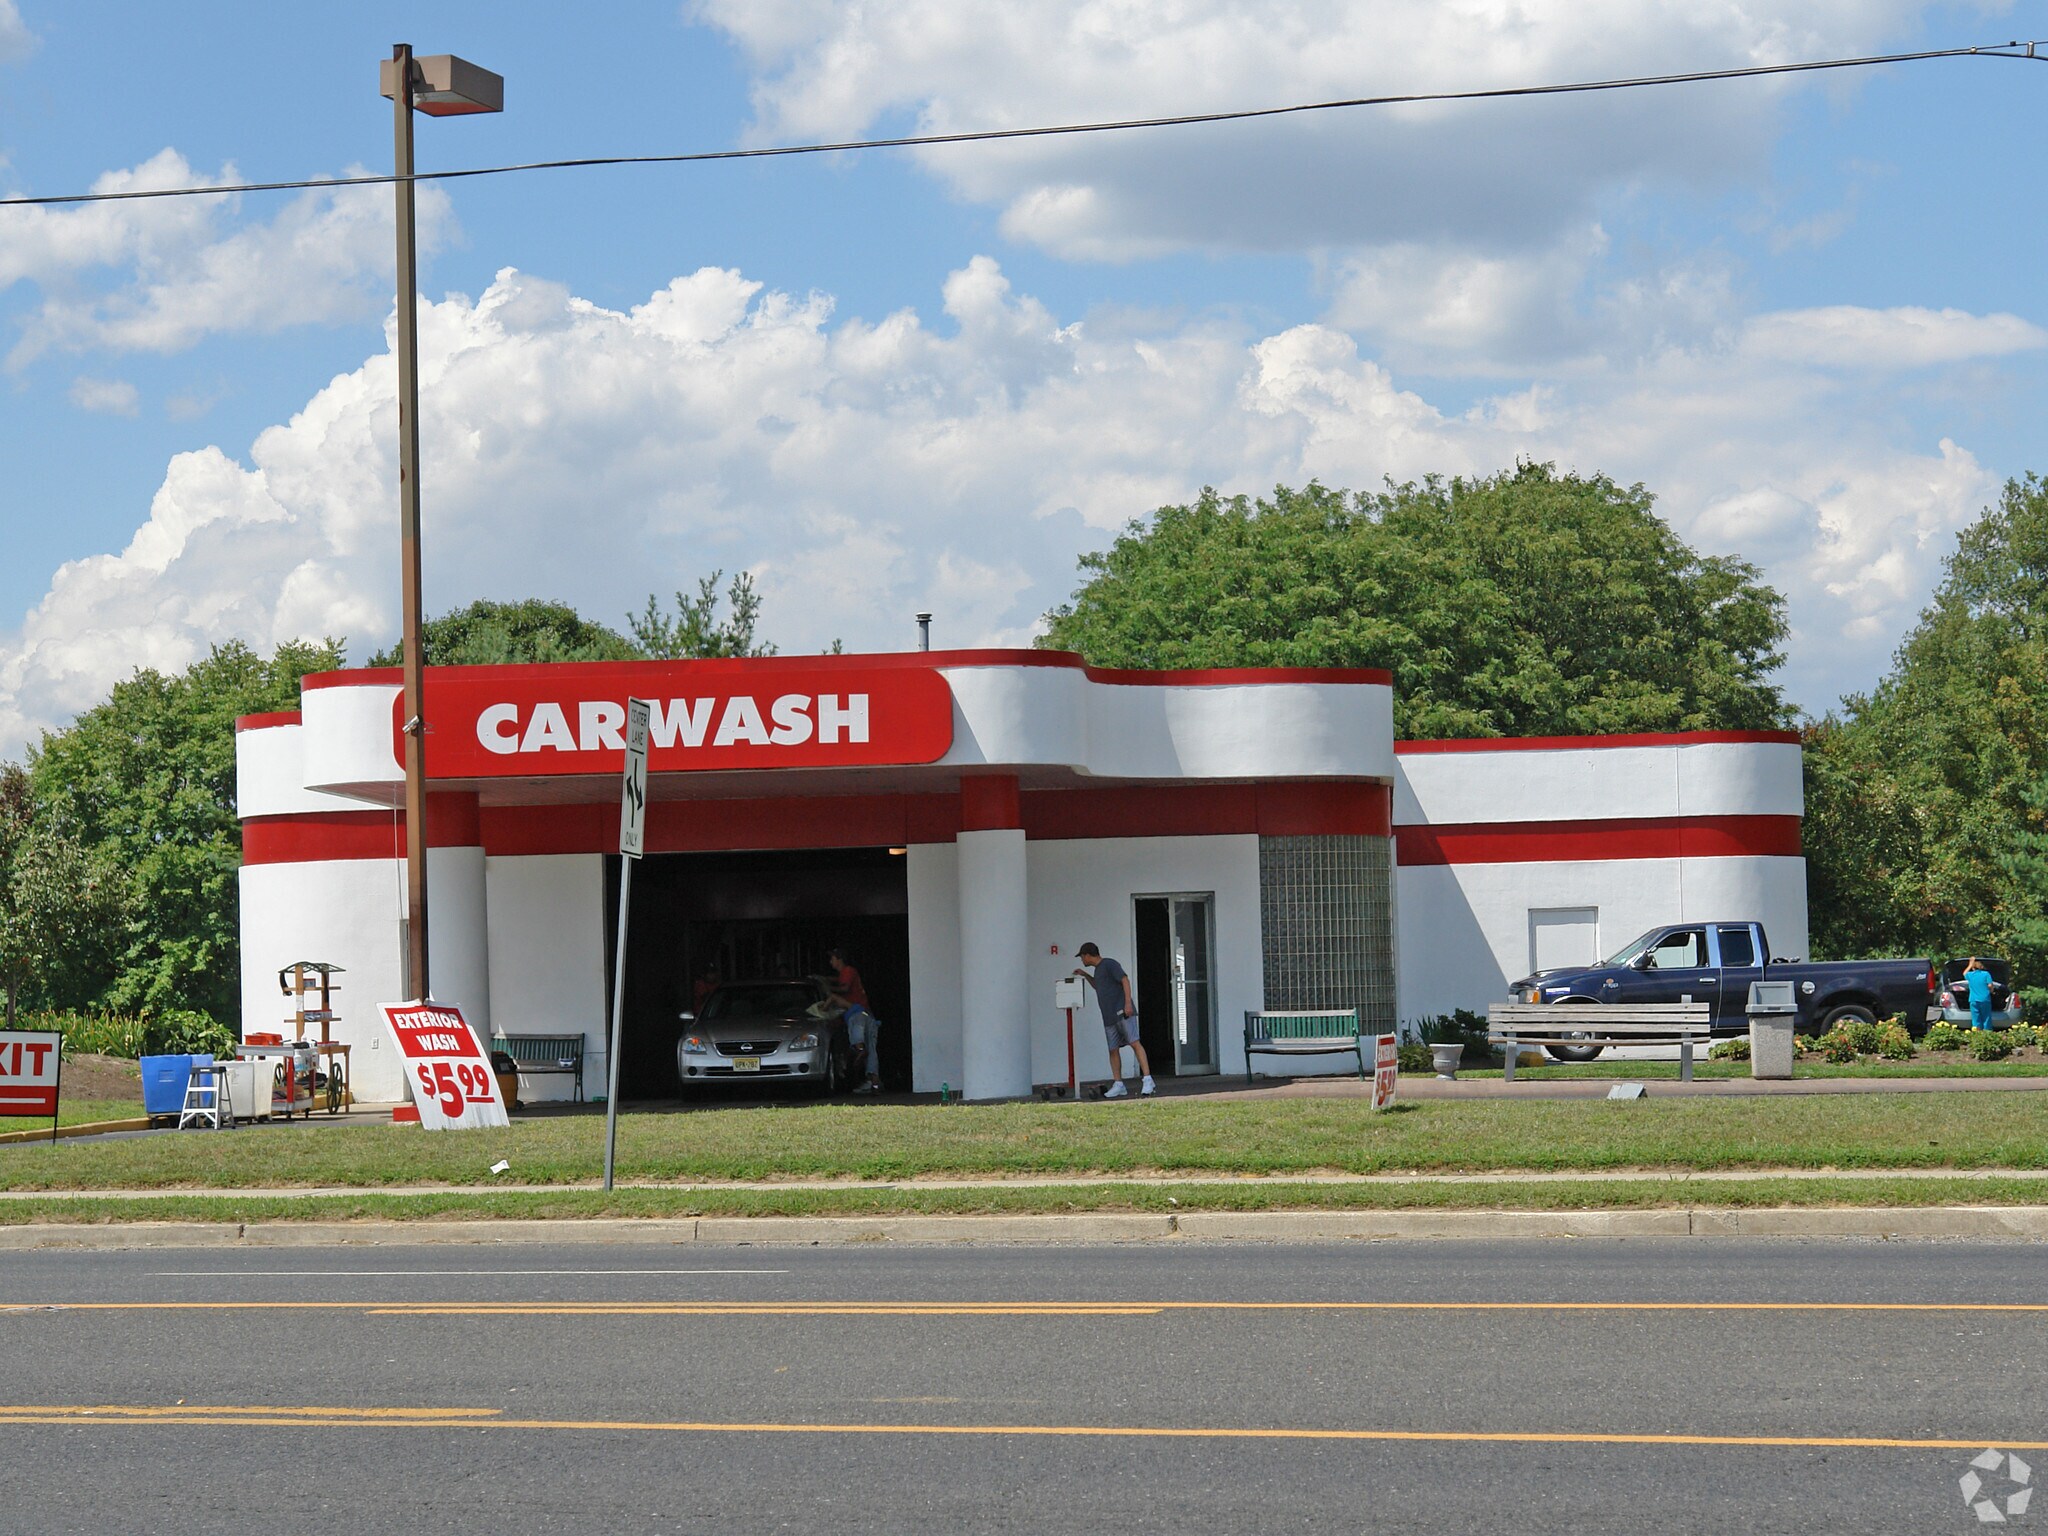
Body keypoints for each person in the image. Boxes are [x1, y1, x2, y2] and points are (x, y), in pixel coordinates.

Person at [1071, 942, 1153, 1098]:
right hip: (1108, 1016)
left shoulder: (1109, 964)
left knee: (1134, 1042)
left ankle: (1148, 1080)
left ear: (1087, 955)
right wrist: (1085, 975)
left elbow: (1125, 980)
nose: (1082, 960)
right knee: (1113, 1049)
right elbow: (1098, 986)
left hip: (1122, 1012)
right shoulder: (1098, 971)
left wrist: (1128, 1003)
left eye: (1082, 957)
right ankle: (1118, 1084)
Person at [826, 945, 881, 1093]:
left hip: (858, 1015)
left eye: (832, 959)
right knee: (872, 1050)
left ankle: (859, 1050)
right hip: (869, 1015)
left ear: (839, 960)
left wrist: (827, 988)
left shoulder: (847, 971)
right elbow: (838, 981)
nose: (830, 962)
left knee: (859, 1043)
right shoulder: (847, 974)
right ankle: (873, 1083)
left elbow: (844, 988)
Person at [1963, 956, 1998, 1031]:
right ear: (1981, 967)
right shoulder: (1986, 974)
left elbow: (1964, 973)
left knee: (1976, 1019)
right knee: (1986, 1017)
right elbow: (1990, 985)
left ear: (1973, 968)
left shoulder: (1970, 975)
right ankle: (1987, 1033)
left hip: (1973, 1000)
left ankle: (1977, 1034)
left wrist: (1970, 964)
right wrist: (1991, 991)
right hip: (1985, 999)